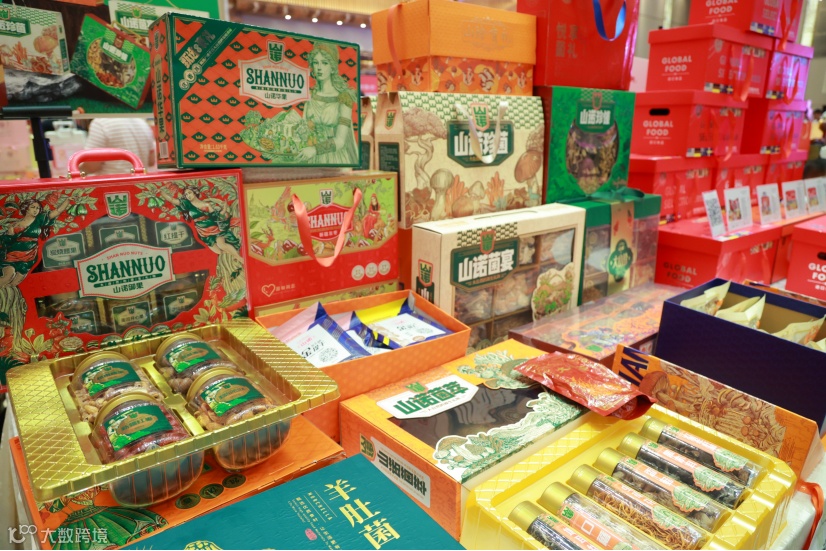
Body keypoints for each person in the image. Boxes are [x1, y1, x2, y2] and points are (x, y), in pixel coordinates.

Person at [297, 42, 359, 165]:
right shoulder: (310, 95)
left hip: (335, 159)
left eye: (324, 63)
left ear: (332, 67)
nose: (319, 68)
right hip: (311, 158)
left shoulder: (343, 98)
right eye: (316, 63)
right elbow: (304, 128)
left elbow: (340, 141)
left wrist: (315, 150)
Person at [81, 117, 156, 175]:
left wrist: (78, 170)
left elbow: (92, 166)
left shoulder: (100, 123)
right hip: (140, 185)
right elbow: (151, 161)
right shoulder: (142, 123)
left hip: (113, 186)